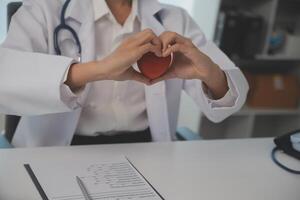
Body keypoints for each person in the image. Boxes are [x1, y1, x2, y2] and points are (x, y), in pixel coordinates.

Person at [0, 0, 249, 147]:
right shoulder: (44, 11)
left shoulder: (174, 19)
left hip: (145, 148)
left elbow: (229, 97)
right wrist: (99, 70)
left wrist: (209, 73)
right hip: (60, 148)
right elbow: (5, 78)